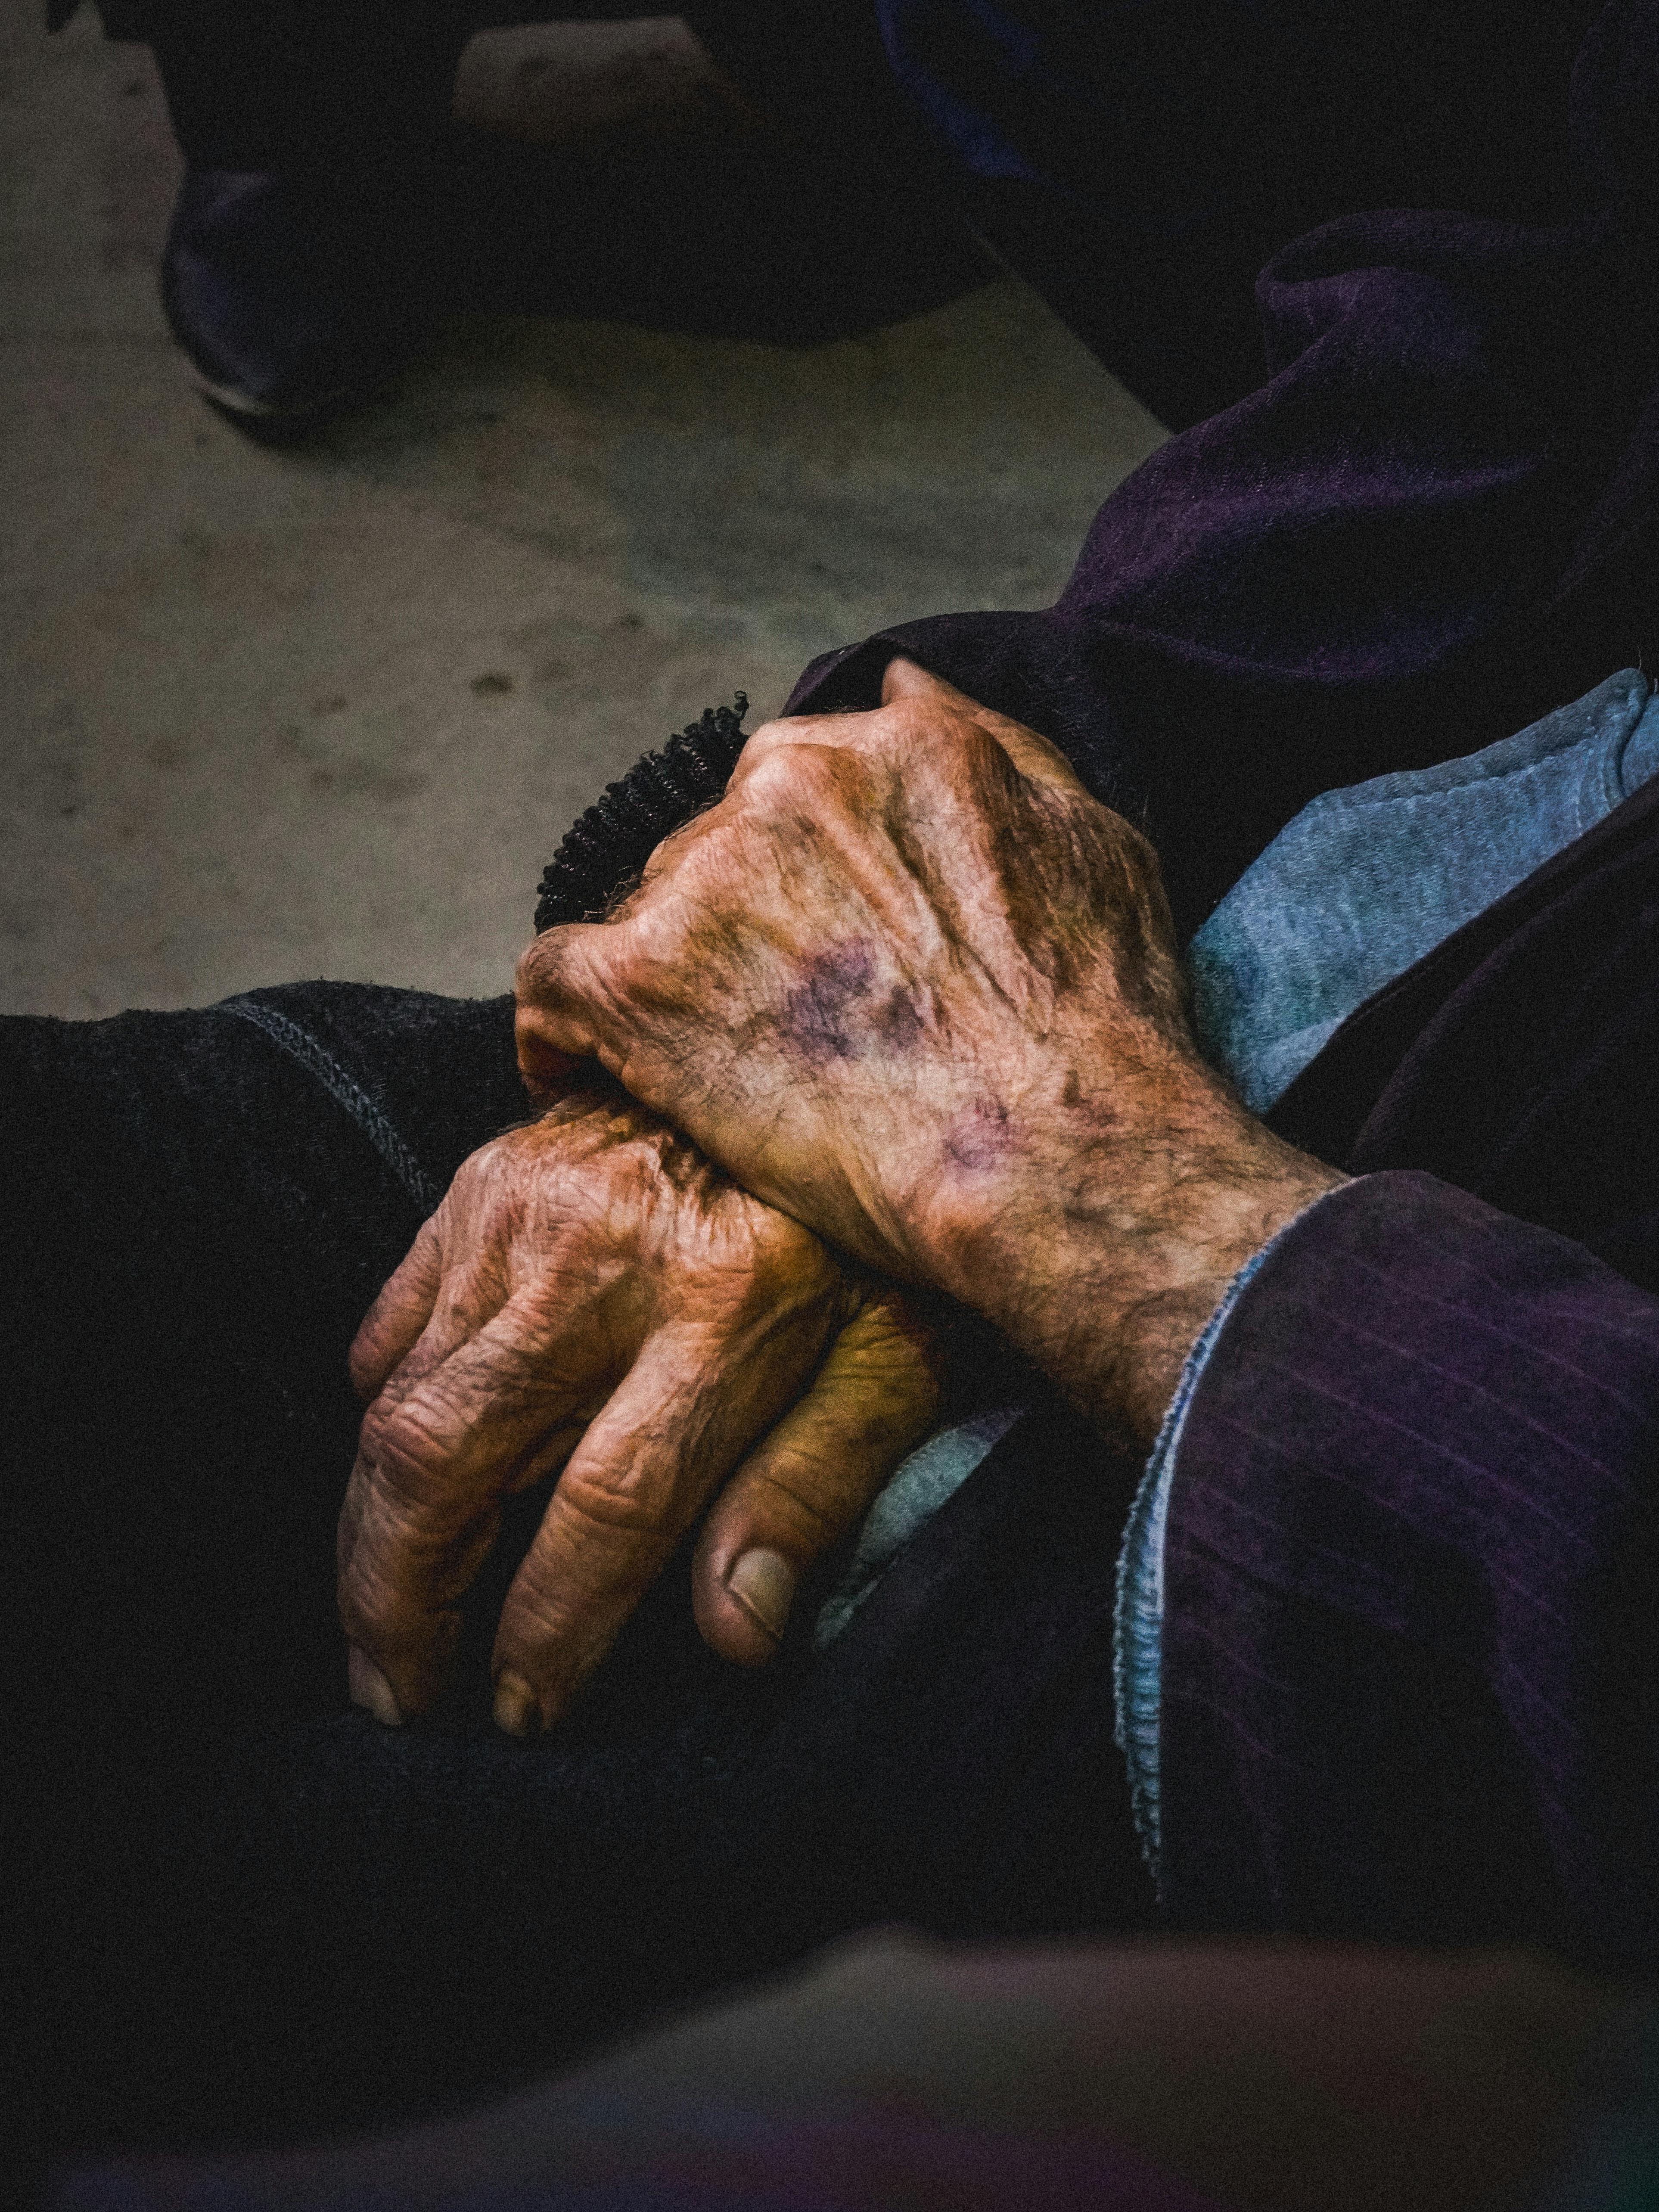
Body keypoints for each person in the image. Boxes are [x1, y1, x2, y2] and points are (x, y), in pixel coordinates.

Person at [10, 0, 1659, 2196]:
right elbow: (1533, 290)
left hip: (1345, 1691)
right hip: (1096, 1005)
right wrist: (906, 876)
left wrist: (1109, 1207)